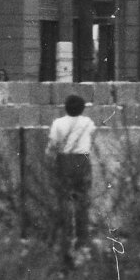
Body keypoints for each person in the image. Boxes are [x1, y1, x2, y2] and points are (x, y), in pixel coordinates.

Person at [46, 92, 96, 260]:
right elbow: (92, 138)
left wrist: (49, 158)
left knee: (64, 201)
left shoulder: (58, 123)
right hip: (82, 160)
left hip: (64, 160)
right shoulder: (88, 122)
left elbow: (53, 144)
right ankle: (83, 240)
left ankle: (66, 238)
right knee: (82, 202)